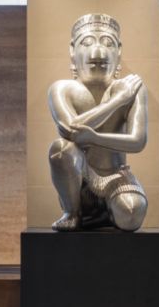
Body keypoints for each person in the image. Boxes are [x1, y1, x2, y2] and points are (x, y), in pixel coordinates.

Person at [47, 13, 148, 231]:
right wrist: (117, 101)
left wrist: (95, 138)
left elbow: (138, 141)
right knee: (60, 149)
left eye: (107, 43)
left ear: (118, 51)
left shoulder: (133, 88)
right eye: (87, 42)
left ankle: (108, 213)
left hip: (116, 177)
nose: (98, 52)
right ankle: (72, 212)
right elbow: (70, 130)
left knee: (131, 215)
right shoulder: (62, 88)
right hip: (79, 178)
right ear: (73, 51)